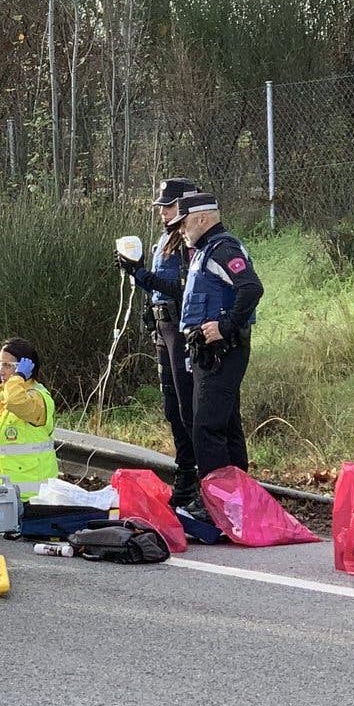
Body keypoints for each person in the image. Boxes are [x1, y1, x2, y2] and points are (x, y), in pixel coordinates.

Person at [170, 191, 264, 519]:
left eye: (183, 222)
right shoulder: (204, 250)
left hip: (223, 350)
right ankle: (237, 500)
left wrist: (225, 326)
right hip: (209, 352)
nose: (180, 228)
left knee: (206, 427)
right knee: (225, 425)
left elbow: (251, 287)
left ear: (202, 218)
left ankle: (215, 504)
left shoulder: (223, 248)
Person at [117, 177, 201, 507]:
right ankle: (183, 475)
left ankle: (194, 479)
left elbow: (183, 287)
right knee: (171, 405)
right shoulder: (165, 239)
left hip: (180, 327)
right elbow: (157, 289)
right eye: (161, 207)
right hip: (163, 328)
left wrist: (141, 274)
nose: (163, 212)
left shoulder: (189, 242)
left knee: (186, 405)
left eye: (168, 206)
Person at [0, 338, 57, 501]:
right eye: (0, 364)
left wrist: (18, 377)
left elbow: (16, 402)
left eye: (7, 366)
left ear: (25, 368)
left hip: (31, 497)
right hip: (7, 493)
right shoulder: (7, 396)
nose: (1, 371)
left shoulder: (38, 398)